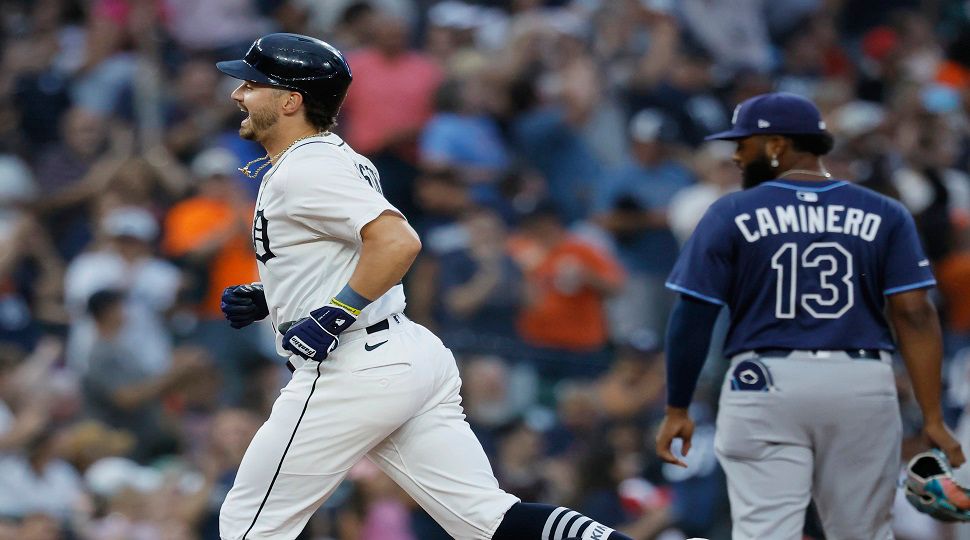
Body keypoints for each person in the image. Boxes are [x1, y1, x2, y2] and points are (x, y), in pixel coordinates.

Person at [215, 33, 632, 540]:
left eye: (253, 84)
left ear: (290, 100)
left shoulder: (306, 169)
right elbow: (354, 249)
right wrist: (275, 294)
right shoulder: (332, 157)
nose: (238, 93)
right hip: (403, 354)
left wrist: (332, 313)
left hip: (353, 365)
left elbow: (397, 242)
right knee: (486, 519)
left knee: (246, 525)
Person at [654, 92, 966, 539]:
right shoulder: (885, 212)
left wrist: (677, 405)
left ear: (778, 145)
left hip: (764, 382)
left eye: (745, 144)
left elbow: (693, 313)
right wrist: (932, 415)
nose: (737, 155)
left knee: (766, 533)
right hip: (859, 383)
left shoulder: (729, 211)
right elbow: (915, 314)